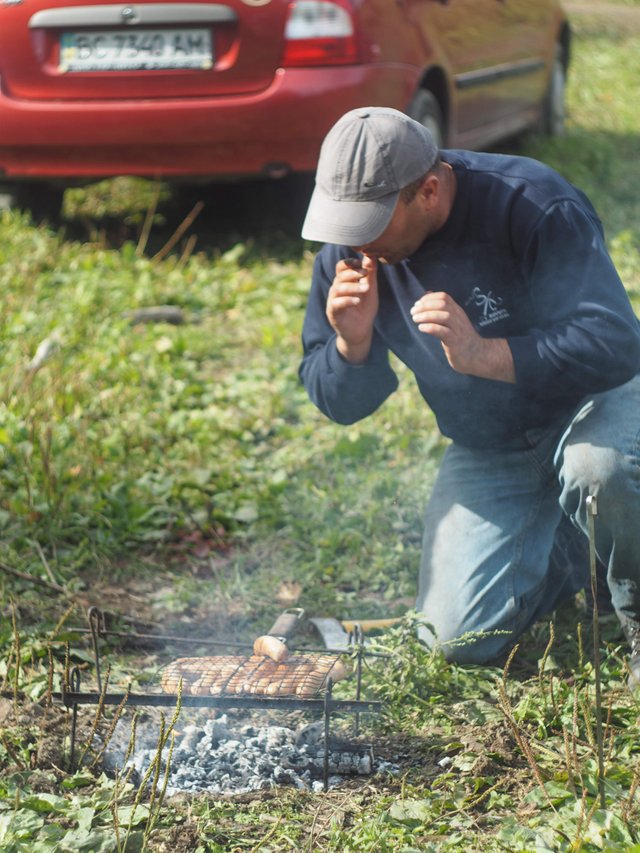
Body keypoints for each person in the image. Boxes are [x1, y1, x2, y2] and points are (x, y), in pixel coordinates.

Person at [298, 106, 640, 680]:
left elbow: (614, 342)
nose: (352, 240)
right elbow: (340, 401)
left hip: (592, 405)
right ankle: (578, 550)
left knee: (599, 470)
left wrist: (487, 355)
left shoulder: (530, 202)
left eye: (370, 221)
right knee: (455, 639)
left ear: (428, 191)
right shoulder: (349, 250)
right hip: (492, 446)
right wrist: (350, 346)